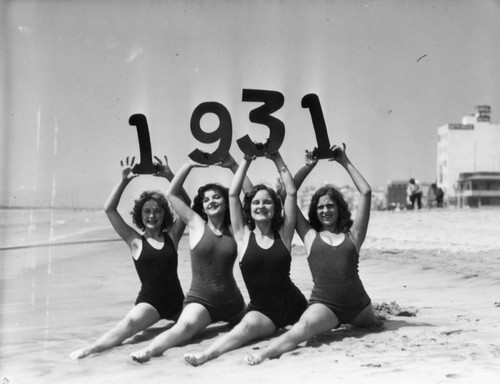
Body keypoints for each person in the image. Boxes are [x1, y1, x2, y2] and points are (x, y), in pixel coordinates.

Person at [244, 144, 381, 365]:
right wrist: (309, 166)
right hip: (325, 305)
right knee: (303, 328)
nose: (325, 211)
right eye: (320, 207)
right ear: (314, 211)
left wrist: (344, 160)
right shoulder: (309, 235)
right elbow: (284, 194)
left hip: (360, 306)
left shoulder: (354, 236)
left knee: (372, 323)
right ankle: (266, 353)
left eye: (330, 206)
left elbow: (365, 192)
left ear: (339, 209)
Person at [184, 151, 307, 367]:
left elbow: (291, 191)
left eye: (267, 202)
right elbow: (233, 194)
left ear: (275, 207)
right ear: (249, 208)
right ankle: (206, 355)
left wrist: (277, 157)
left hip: (294, 304)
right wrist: (245, 161)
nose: (261, 206)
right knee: (243, 330)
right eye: (256, 203)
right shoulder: (242, 235)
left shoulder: (284, 233)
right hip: (262, 310)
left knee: (311, 328)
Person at [130, 154, 252, 363]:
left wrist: (233, 165)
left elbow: (251, 196)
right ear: (202, 207)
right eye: (206, 199)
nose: (211, 201)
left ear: (226, 201)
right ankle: (150, 351)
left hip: (233, 302)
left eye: (216, 197)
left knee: (250, 326)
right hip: (201, 302)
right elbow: (173, 195)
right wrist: (187, 165)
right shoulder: (196, 224)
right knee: (184, 327)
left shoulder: (237, 229)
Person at [69, 156, 188, 359]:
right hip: (150, 303)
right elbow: (109, 209)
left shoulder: (173, 236)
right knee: (129, 325)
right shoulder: (134, 241)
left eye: (157, 211)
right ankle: (92, 349)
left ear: (164, 214)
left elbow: (185, 202)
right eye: (147, 211)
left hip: (177, 302)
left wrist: (169, 176)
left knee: (188, 330)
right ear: (140, 215)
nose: (152, 216)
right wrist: (124, 181)